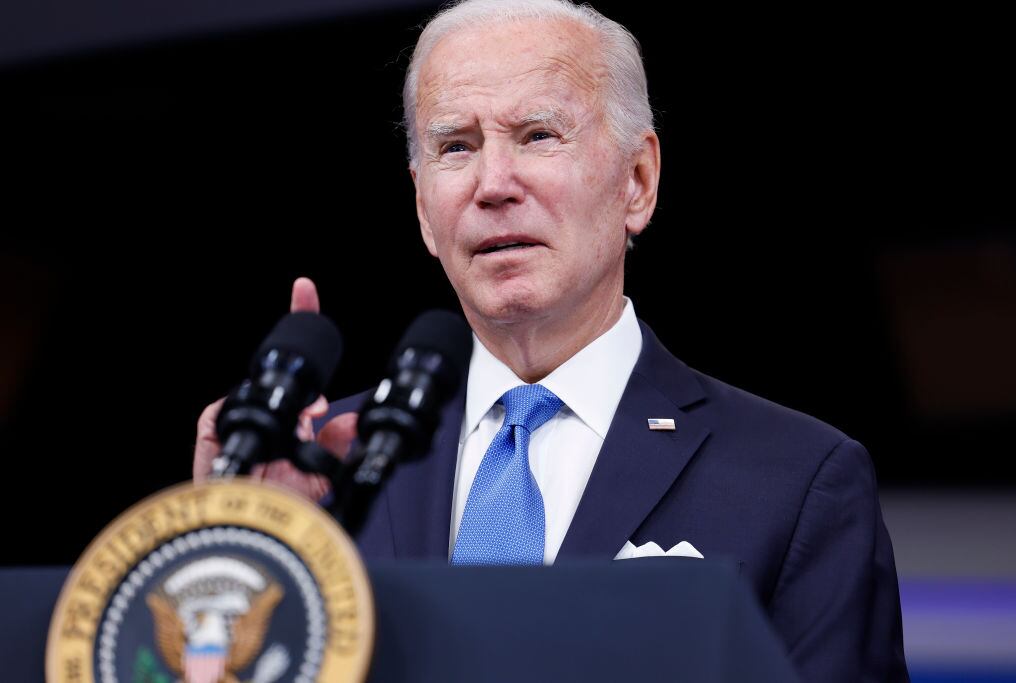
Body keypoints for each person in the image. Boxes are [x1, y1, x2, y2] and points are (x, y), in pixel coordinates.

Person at [195, 1, 909, 679]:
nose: (493, 184)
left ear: (638, 179)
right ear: (423, 208)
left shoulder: (798, 482)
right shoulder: (328, 469)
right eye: (456, 146)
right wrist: (231, 554)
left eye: (538, 135)